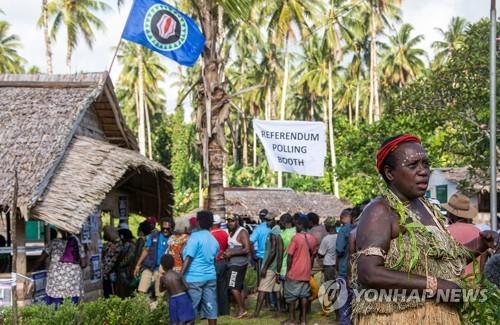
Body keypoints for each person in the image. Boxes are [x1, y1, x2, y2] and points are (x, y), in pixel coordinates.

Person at [352, 134, 498, 324]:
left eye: (425, 164)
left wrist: (479, 244)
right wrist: (435, 285)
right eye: (413, 166)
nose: (423, 171)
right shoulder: (380, 211)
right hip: (397, 317)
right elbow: (369, 273)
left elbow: (445, 261)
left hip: (439, 315)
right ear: (390, 173)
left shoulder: (426, 207)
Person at [181, 210, 220, 324]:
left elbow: (189, 258)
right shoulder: (213, 240)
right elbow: (213, 259)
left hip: (194, 278)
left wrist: (181, 275)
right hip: (210, 277)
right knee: (211, 305)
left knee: (191, 308)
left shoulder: (194, 237)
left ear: (198, 222)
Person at [36, 230, 87, 306]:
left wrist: (32, 270)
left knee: (56, 308)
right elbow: (83, 264)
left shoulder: (53, 242)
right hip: (73, 282)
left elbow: (41, 259)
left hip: (56, 282)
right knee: (71, 308)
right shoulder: (77, 242)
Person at [283, 214, 317, 325]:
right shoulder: (312, 239)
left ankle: (292, 320)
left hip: (295, 271)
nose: (295, 226)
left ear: (300, 225)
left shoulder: (296, 238)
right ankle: (303, 320)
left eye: (296, 224)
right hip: (306, 272)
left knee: (291, 296)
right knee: (304, 296)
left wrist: (288, 271)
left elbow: (289, 256)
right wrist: (309, 270)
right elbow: (313, 256)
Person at [252, 211, 283, 317]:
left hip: (270, 266)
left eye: (269, 221)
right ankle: (279, 312)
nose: (267, 223)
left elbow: (273, 251)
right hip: (276, 266)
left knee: (262, 289)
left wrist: (264, 267)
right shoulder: (279, 231)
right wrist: (278, 268)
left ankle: (256, 314)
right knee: (276, 290)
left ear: (274, 220)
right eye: (266, 220)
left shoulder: (274, 233)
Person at [134, 218, 173, 298]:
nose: (165, 230)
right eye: (163, 228)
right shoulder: (154, 236)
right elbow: (146, 250)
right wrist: (138, 265)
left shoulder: (173, 239)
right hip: (149, 266)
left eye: (167, 228)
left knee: (159, 295)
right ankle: (142, 308)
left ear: (171, 227)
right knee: (141, 290)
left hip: (161, 269)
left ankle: (158, 309)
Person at [223, 214, 251, 319]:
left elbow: (247, 249)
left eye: (232, 221)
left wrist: (232, 253)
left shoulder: (242, 232)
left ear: (237, 221)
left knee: (233, 286)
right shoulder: (232, 231)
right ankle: (241, 308)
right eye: (228, 221)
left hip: (238, 264)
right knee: (238, 287)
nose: (230, 223)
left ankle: (242, 309)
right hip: (233, 263)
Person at [160, 254, 195, 325]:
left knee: (175, 321)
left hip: (173, 300)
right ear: (173, 264)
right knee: (189, 319)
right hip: (183, 297)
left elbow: (160, 289)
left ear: (162, 266)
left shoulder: (163, 278)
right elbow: (187, 287)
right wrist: (179, 287)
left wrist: (168, 286)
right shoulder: (178, 274)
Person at [210, 214, 230, 316]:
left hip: (214, 263)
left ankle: (216, 311)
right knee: (223, 287)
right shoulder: (225, 233)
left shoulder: (209, 234)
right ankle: (225, 311)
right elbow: (227, 247)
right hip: (223, 262)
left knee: (214, 288)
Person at [250, 209, 272, 282]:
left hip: (261, 258)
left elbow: (250, 242)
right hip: (272, 257)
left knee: (262, 281)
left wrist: (253, 255)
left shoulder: (258, 228)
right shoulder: (274, 227)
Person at [115, 228, 136, 298]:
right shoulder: (133, 243)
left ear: (122, 236)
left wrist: (119, 266)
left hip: (126, 271)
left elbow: (128, 258)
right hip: (129, 270)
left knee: (125, 291)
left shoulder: (129, 245)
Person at [102, 225, 122, 298]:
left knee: (109, 291)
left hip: (109, 270)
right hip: (108, 270)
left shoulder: (116, 244)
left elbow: (112, 258)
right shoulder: (115, 243)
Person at [318, 217, 337, 283]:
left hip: (328, 266)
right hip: (337, 266)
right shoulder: (339, 236)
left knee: (329, 286)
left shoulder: (326, 239)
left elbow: (321, 254)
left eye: (325, 225)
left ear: (328, 226)